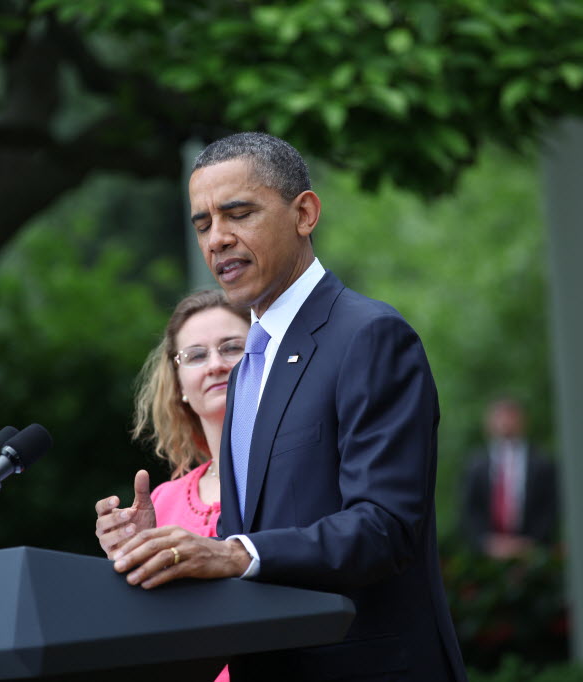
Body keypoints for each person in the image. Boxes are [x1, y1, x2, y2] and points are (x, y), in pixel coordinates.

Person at [96, 132, 467, 681]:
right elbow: (260, 537)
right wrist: (159, 551)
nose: (218, 239)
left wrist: (231, 553)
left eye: (239, 213)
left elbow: (383, 527)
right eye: (203, 224)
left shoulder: (369, 336)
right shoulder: (253, 360)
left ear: (304, 214)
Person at [97, 289, 248, 682]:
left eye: (232, 348)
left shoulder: (295, 474)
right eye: (196, 355)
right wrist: (126, 562)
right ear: (179, 382)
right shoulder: (162, 500)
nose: (215, 364)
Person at [460, 398, 559, 558]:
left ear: (523, 421)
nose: (506, 423)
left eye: (511, 416)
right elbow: (469, 510)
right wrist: (487, 542)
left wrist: (530, 543)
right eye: (500, 417)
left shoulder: (542, 462)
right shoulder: (475, 464)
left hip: (534, 552)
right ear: (488, 423)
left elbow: (551, 506)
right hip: (488, 555)